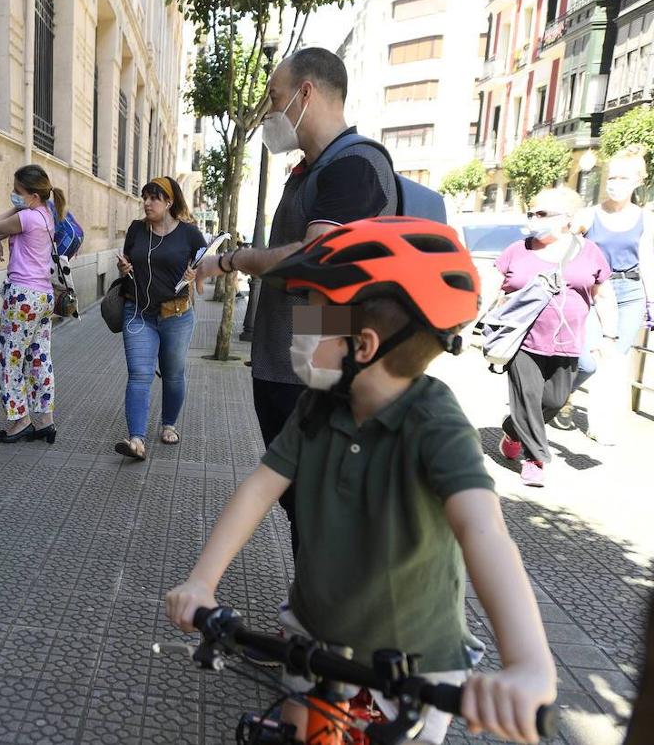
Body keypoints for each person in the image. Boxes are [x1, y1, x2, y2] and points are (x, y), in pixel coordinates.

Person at [166, 218, 557, 745]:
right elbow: (259, 488)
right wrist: (202, 582)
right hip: (313, 636)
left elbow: (483, 532)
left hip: (413, 667)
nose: (301, 330)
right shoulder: (317, 405)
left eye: (317, 319)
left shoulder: (434, 422)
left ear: (364, 346)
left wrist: (528, 663)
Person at [194, 47, 398, 559]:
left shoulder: (355, 166)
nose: (269, 110)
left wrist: (233, 260)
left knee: (318, 505)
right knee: (303, 504)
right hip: (290, 368)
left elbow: (317, 260)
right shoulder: (312, 170)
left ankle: (323, 600)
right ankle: (312, 594)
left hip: (318, 374)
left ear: (306, 94)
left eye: (275, 97)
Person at [495, 188, 615, 487]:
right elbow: (492, 286)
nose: (533, 218)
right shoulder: (518, 250)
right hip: (523, 339)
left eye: (542, 214)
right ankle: (535, 459)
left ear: (566, 219)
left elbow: (603, 296)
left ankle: (512, 429)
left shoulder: (589, 252)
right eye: (531, 212)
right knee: (528, 397)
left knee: (554, 399)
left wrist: (609, 335)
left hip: (567, 343)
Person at [114, 176, 205, 461]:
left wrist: (195, 274)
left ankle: (168, 424)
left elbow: (206, 264)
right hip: (138, 312)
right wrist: (124, 267)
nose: (147, 203)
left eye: (154, 198)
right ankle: (136, 440)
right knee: (139, 374)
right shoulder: (137, 229)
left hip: (177, 315)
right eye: (145, 197)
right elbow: (128, 261)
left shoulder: (189, 233)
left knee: (173, 374)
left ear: (169, 202)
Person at [569, 145, 654, 444]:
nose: (615, 184)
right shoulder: (589, 215)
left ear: (637, 182)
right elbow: (565, 248)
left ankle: (601, 425)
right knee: (590, 358)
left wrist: (651, 301)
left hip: (630, 292)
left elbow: (647, 260)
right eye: (612, 177)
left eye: (623, 178)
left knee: (615, 359)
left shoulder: (645, 218)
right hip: (596, 292)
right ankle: (561, 393)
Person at [0, 164, 62, 444]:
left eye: (18, 190)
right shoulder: (46, 215)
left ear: (34, 195)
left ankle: (19, 421)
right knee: (39, 357)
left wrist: (15, 209)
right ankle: (44, 420)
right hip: (43, 296)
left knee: (10, 357)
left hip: (22, 296)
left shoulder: (27, 216)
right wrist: (1, 237)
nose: (13, 194)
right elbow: (10, 231)